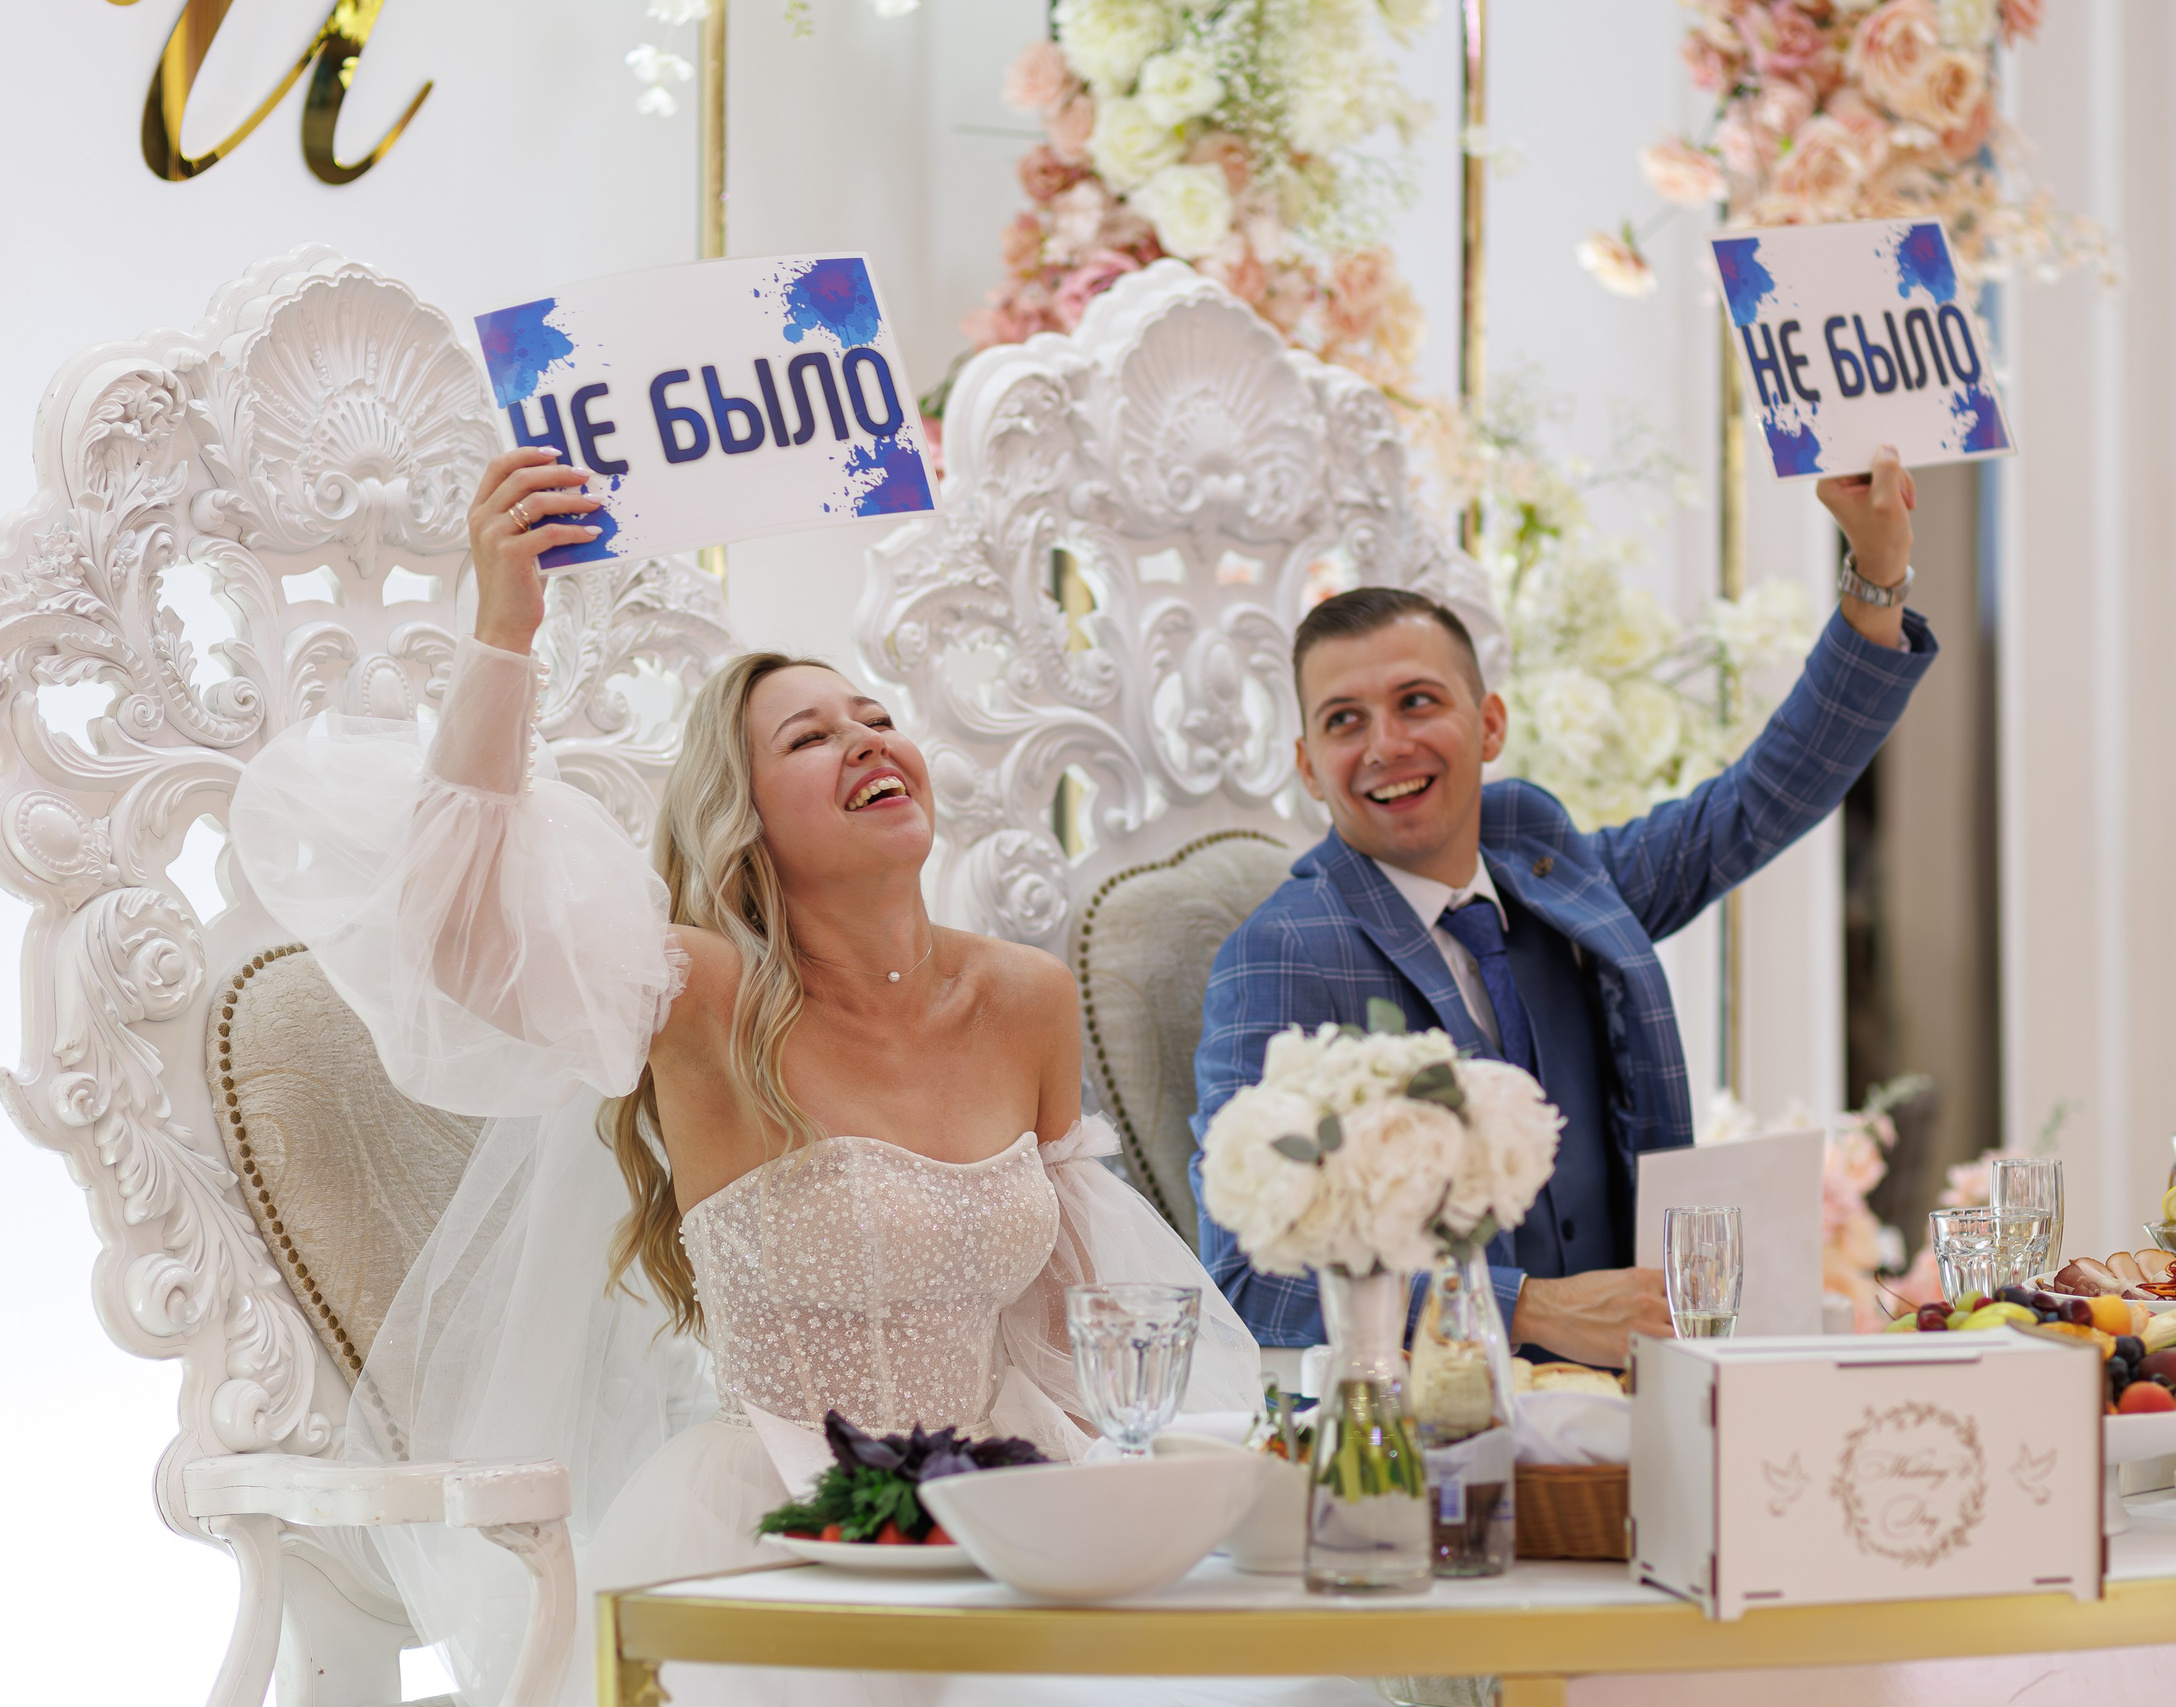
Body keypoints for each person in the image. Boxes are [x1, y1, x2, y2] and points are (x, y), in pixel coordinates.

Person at [230, 447, 1360, 1707]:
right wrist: (505, 623)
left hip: (1015, 1503)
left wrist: (1162, 1485)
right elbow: (456, 935)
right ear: (746, 818)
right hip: (769, 1520)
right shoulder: (698, 993)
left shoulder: (1024, 997)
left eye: (875, 718)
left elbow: (1077, 1315)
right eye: (809, 738)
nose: (867, 741)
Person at [1190, 446, 1936, 1367]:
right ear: (1308, 766)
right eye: (1343, 720)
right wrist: (1530, 1308)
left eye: (1417, 701)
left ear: (1489, 723)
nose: (1385, 744)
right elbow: (1247, 1280)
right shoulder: (1281, 954)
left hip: (1650, 1401)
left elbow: (1760, 800)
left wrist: (1878, 568)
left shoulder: (1547, 867)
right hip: (1455, 1434)